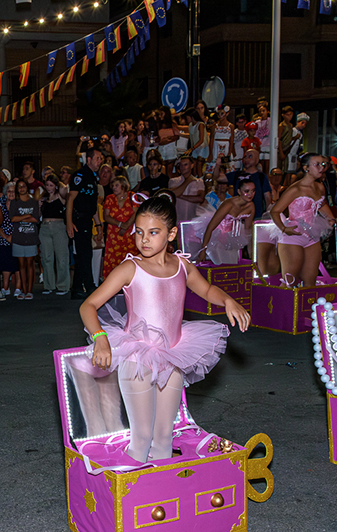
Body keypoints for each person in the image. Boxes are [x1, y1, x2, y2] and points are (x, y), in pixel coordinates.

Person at [79, 191, 249, 463]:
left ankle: (159, 496)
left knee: (164, 435)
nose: (144, 239)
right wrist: (100, 337)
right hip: (138, 358)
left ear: (171, 235)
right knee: (142, 435)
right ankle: (132, 497)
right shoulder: (130, 268)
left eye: (153, 232)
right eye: (139, 232)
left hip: (173, 355)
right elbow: (88, 305)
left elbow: (206, 289)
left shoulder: (182, 265)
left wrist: (227, 300)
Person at [271, 153, 336, 288]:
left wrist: (330, 218)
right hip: (293, 235)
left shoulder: (319, 187)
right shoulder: (296, 189)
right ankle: (280, 308)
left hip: (312, 235)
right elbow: (275, 211)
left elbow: (321, 204)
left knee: (310, 280)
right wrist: (284, 228)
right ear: (306, 168)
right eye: (317, 164)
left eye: (323, 164)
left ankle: (304, 308)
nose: (321, 168)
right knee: (290, 280)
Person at [66, 147, 102, 299]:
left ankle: (77, 289)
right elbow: (70, 200)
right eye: (98, 158)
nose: (100, 162)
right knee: (85, 255)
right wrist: (69, 222)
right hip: (78, 220)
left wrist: (99, 226)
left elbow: (92, 206)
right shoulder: (79, 175)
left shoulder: (93, 177)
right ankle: (89, 286)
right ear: (89, 159)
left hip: (87, 220)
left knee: (83, 256)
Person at [200, 178, 256, 265]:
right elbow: (211, 227)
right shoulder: (229, 204)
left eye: (253, 191)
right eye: (246, 191)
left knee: (232, 264)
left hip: (232, 236)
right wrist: (203, 250)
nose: (250, 194)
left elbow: (248, 230)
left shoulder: (251, 206)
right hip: (216, 235)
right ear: (239, 191)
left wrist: (251, 253)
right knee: (221, 264)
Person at [100, 175, 138, 280]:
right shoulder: (109, 198)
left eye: (117, 185)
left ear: (124, 185)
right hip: (113, 235)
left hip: (129, 234)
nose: (114, 187)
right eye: (113, 185)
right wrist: (120, 224)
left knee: (130, 259)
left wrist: (126, 226)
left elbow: (136, 213)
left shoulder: (132, 196)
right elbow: (106, 216)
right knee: (113, 260)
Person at [40, 174, 70, 295]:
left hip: (59, 227)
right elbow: (38, 215)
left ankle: (63, 286)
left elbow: (64, 189)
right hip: (45, 227)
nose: (48, 187)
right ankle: (49, 285)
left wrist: (57, 182)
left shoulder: (61, 196)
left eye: (51, 185)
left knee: (61, 257)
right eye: (47, 185)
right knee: (46, 257)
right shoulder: (43, 198)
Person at [9, 180, 40, 299]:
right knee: (21, 264)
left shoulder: (33, 202)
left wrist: (20, 218)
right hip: (19, 237)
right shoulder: (14, 202)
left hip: (31, 236)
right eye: (19, 187)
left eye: (23, 186)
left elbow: (36, 219)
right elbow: (13, 219)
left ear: (27, 188)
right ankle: (23, 289)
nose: (21, 189)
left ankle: (30, 290)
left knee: (30, 264)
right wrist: (27, 216)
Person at [168, 157, 205, 224]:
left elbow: (200, 199)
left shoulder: (199, 182)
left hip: (193, 220)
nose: (182, 167)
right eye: (181, 165)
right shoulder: (173, 181)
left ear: (192, 165)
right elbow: (172, 194)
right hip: (177, 219)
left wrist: (180, 195)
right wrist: (188, 181)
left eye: (185, 164)